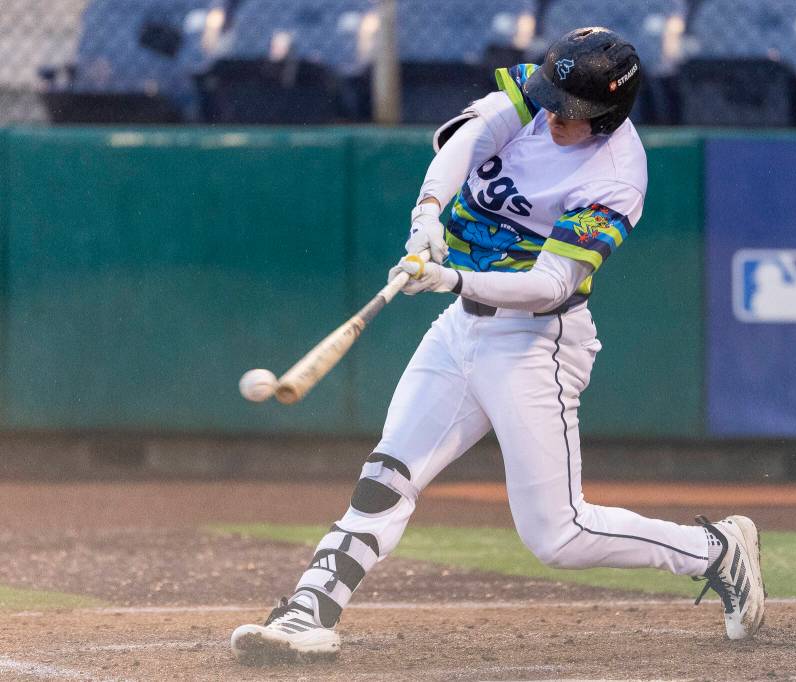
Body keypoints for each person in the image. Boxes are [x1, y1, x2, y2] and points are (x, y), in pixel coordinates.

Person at [230, 27, 765, 664]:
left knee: (557, 536)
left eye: (569, 110)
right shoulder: (532, 101)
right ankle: (307, 612)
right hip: (462, 327)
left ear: (606, 115)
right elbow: (469, 139)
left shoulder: (617, 176)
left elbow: (549, 284)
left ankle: (716, 550)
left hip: (536, 342)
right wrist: (427, 215)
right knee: (387, 473)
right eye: (551, 97)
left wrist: (449, 275)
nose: (552, 114)